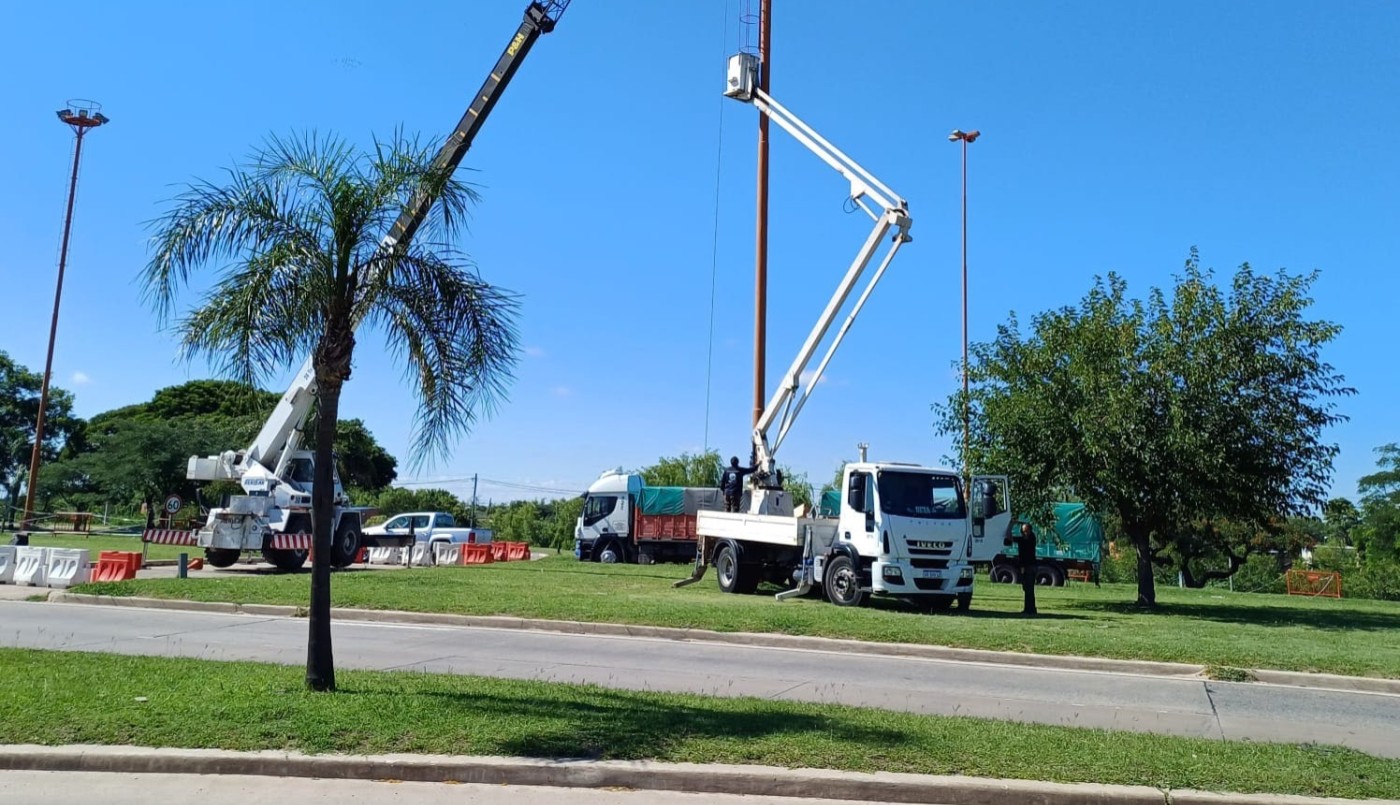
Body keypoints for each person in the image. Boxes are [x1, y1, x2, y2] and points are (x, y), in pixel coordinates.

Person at [1014, 522, 1038, 615]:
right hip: (1025, 566)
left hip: (1030, 567)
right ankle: (1028, 609)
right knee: (1026, 589)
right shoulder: (1022, 539)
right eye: (1023, 531)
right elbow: (1009, 538)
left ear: (1030, 531)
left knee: (1029, 589)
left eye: (1027, 531)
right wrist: (1011, 524)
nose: (1025, 533)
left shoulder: (1031, 539)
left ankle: (1031, 609)